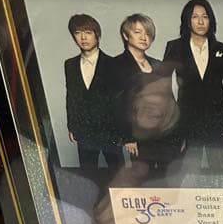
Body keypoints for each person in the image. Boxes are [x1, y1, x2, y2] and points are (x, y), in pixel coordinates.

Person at [163, 0, 223, 172]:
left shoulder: (222, 49)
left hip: (216, 121)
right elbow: (162, 83)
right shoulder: (175, 47)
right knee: (187, 173)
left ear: (211, 20)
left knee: (222, 173)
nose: (200, 21)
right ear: (187, 20)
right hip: (186, 121)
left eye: (205, 16)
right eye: (195, 17)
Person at [113, 13, 183, 175]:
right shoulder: (116, 64)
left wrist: (177, 133)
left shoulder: (158, 64)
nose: (144, 37)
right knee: (145, 178)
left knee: (169, 178)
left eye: (148, 33)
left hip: (166, 135)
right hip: (139, 136)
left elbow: (169, 100)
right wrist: (128, 138)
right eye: (138, 32)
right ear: (126, 35)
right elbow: (117, 104)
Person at [64, 14, 123, 183]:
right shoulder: (70, 64)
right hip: (84, 131)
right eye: (78, 33)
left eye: (88, 32)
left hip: (110, 130)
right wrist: (72, 125)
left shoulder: (113, 63)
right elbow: (71, 96)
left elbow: (120, 100)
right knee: (88, 176)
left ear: (97, 35)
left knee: (118, 175)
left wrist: (122, 131)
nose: (83, 37)